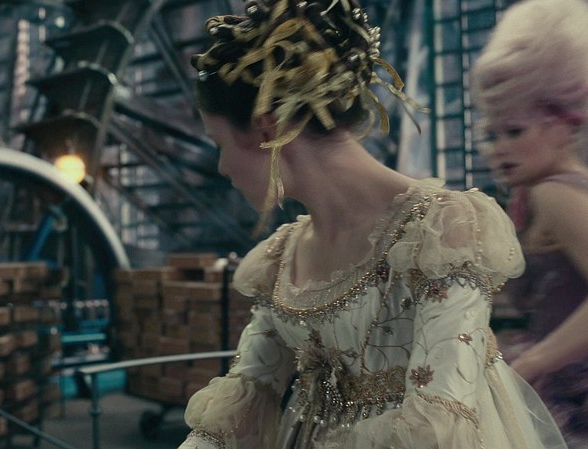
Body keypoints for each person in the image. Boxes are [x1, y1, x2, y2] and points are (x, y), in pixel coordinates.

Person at [178, 0, 567, 448]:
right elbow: (242, 401)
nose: (222, 167)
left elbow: (441, 418)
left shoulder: (441, 231)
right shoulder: (280, 257)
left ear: (268, 130)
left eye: (219, 144)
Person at [471, 0, 588, 447]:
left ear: (565, 124)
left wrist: (532, 363)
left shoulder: (555, 193)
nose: (499, 149)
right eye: (491, 134)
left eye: (515, 131)